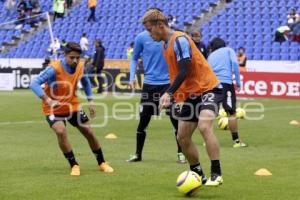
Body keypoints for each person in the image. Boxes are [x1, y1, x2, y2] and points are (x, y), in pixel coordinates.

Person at [141, 9, 223, 186]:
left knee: (204, 126)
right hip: (190, 95)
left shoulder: (180, 40)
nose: (149, 34)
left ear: (160, 26)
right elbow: (176, 73)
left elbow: (184, 70)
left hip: (208, 89)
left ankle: (216, 173)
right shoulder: (165, 45)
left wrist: (168, 93)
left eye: (149, 30)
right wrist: (177, 97)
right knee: (182, 136)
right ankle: (197, 175)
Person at [30, 42, 113, 176]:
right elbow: (34, 83)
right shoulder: (53, 68)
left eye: (77, 58)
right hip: (53, 107)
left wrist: (90, 101)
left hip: (72, 105)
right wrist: (48, 100)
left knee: (88, 131)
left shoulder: (81, 66)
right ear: (65, 55)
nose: (75, 60)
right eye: (72, 57)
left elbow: (85, 82)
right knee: (61, 131)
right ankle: (74, 165)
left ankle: (102, 162)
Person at [127, 8, 186, 164]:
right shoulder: (141, 38)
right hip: (149, 86)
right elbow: (134, 58)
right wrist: (132, 76)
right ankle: (138, 154)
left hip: (168, 85)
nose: (149, 29)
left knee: (176, 120)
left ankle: (181, 153)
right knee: (143, 121)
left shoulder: (168, 38)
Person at [207, 38, 247, 148]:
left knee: (210, 114)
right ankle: (236, 142)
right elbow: (235, 64)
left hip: (212, 85)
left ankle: (208, 140)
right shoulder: (228, 50)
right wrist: (238, 82)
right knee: (231, 113)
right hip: (225, 84)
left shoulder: (210, 56)